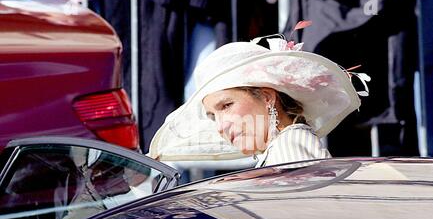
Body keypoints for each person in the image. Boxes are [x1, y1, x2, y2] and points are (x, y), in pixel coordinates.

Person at [148, 33, 369, 167]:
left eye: (226, 105)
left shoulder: (290, 144)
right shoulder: (280, 147)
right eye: (212, 116)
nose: (220, 126)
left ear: (266, 97)